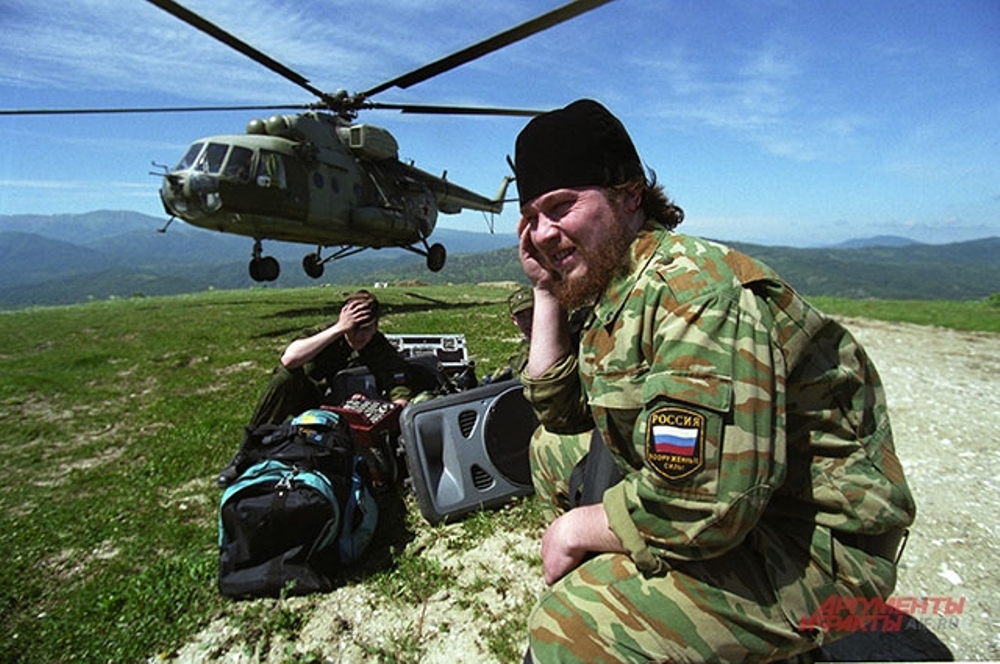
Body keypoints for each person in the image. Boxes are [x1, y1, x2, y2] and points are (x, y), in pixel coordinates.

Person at [512, 99, 916, 662]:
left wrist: (580, 529)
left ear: (629, 196)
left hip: (817, 550)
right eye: (532, 216)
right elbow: (559, 413)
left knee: (567, 630)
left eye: (560, 206)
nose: (544, 232)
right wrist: (545, 287)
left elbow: (706, 508)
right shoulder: (621, 284)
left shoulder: (693, 296)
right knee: (552, 449)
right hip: (748, 507)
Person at [217, 289, 414, 487]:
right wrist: (338, 329)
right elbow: (289, 358)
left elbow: (399, 387)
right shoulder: (327, 334)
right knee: (284, 378)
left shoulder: (379, 347)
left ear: (376, 325)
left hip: (348, 413)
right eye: (354, 328)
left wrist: (381, 407)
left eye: (367, 329)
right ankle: (248, 452)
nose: (360, 335)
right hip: (312, 401)